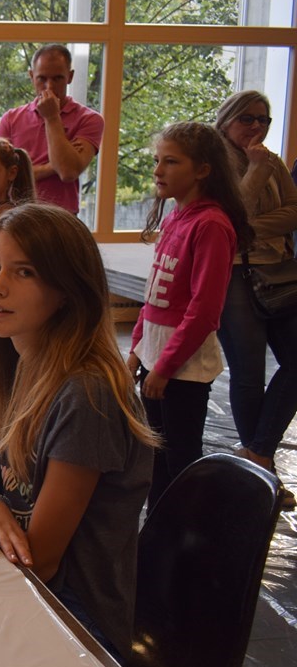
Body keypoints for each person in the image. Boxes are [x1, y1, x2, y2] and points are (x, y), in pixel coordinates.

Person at [0, 203, 155, 662]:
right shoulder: (18, 363)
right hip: (26, 584)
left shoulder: (87, 395)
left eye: (24, 272)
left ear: (67, 291)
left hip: (74, 618)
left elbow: (42, 561)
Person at [128, 122, 251, 508]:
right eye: (157, 161)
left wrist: (165, 366)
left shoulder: (211, 225)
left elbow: (204, 310)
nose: (158, 170)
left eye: (171, 162)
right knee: (155, 451)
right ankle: (158, 523)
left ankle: (187, 525)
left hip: (183, 368)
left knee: (180, 457)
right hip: (158, 358)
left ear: (202, 170)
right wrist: (137, 351)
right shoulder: (174, 219)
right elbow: (153, 298)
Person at [213, 91, 297, 505]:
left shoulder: (272, 160)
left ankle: (258, 452)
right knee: (247, 373)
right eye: (247, 118)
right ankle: (260, 467)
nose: (256, 127)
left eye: (264, 119)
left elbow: (293, 212)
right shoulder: (214, 162)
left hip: (279, 272)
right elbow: (231, 216)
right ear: (226, 120)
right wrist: (258, 170)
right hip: (234, 274)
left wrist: (250, 228)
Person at [0, 44, 104, 215]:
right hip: (16, 216)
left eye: (58, 78)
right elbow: (0, 176)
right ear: (31, 76)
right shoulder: (10, 119)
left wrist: (52, 117)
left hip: (62, 218)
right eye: (42, 78)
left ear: (70, 76)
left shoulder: (89, 119)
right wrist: (53, 166)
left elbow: (68, 172)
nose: (49, 87)